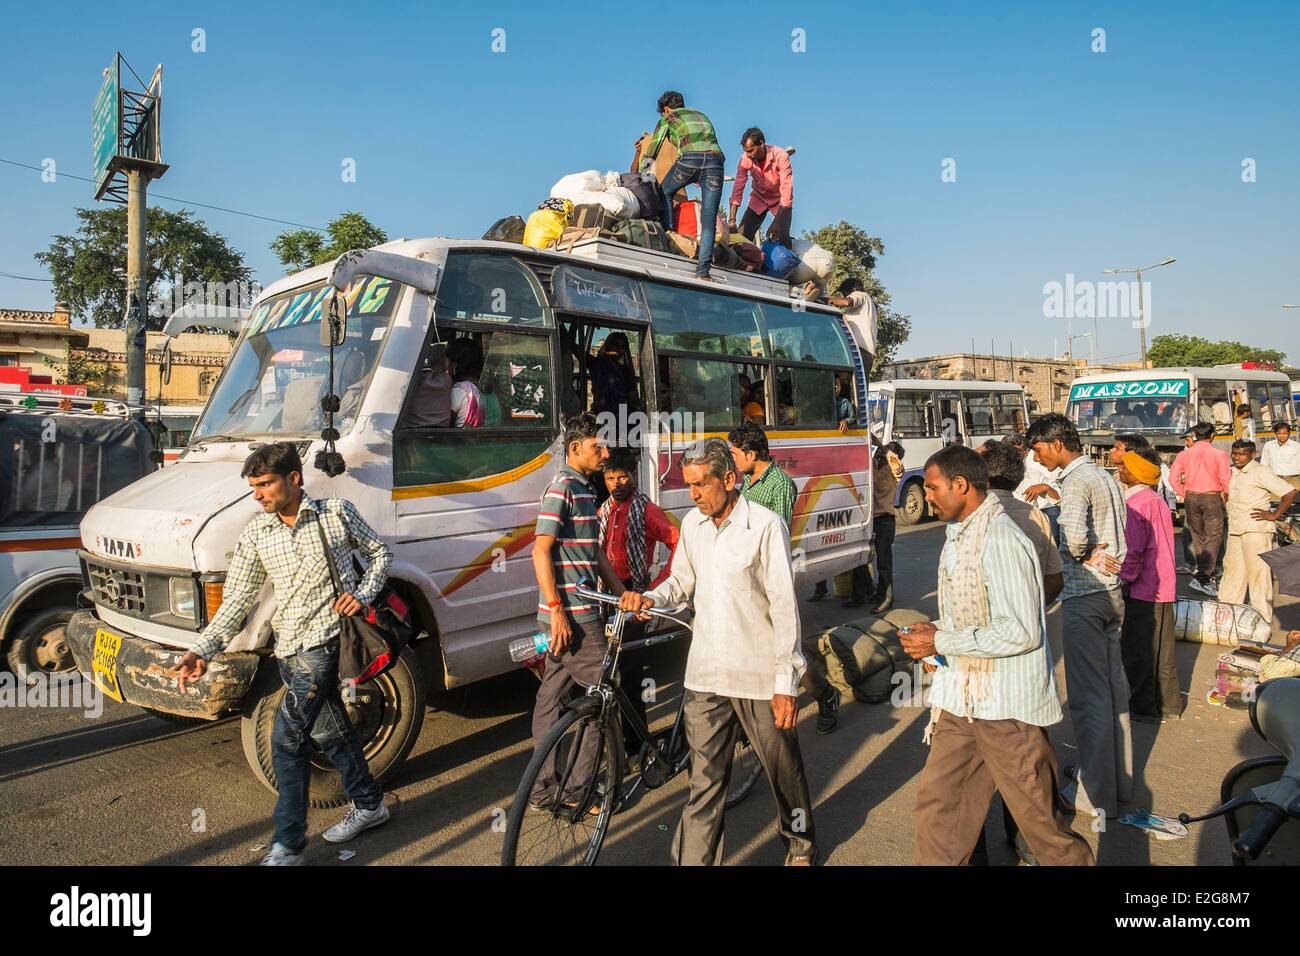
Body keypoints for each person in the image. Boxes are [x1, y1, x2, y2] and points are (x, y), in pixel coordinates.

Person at [170, 443, 393, 866]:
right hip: (287, 648)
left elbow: (381, 554)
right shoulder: (257, 532)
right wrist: (202, 649)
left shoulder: (335, 514)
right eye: (254, 486)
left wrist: (361, 595)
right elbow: (237, 601)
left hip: (325, 644)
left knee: (286, 739)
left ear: (294, 478)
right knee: (330, 731)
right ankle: (369, 804)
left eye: (265, 483)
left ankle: (287, 845)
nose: (258, 494)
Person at [618, 438, 814, 865]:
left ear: (729, 479)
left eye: (700, 485)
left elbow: (784, 607)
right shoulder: (692, 526)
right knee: (704, 784)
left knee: (784, 771)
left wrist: (787, 681)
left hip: (759, 676)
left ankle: (800, 844)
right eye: (688, 485)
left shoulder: (763, 526)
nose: (693, 494)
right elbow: (680, 583)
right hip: (706, 676)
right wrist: (650, 597)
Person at [899, 445, 1093, 866]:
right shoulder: (960, 534)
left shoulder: (1002, 537)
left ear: (961, 485)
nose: (926, 496)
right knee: (939, 812)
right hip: (961, 701)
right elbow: (976, 613)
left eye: (932, 488)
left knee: (1041, 825)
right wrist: (936, 636)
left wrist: (941, 641)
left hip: (1006, 709)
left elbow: (1020, 631)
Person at [1025, 413, 1131, 820]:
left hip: (1085, 596)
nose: (1038, 457)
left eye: (1038, 450)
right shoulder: (1103, 475)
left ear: (1056, 444)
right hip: (1110, 594)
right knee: (1112, 694)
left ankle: (1092, 793)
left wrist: (1078, 548)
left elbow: (1073, 539)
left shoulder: (1075, 482)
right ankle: (1115, 783)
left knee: (1088, 701)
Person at [528, 414, 627, 811]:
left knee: (551, 697)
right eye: (597, 447)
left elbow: (594, 553)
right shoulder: (563, 487)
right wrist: (557, 611)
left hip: (573, 613)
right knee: (605, 692)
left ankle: (540, 791)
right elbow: (540, 549)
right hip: (573, 615)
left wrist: (623, 594)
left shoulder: (587, 489)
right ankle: (577, 791)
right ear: (574, 449)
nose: (605, 453)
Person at [975, 439, 1067, 866]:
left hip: (983, 661)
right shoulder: (1035, 516)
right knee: (1026, 764)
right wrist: (1030, 609)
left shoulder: (976, 518)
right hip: (1029, 658)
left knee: (975, 769)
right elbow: (1054, 582)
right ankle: (1028, 845)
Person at [598, 447, 680, 761]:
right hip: (607, 596)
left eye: (622, 477)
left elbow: (677, 541)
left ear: (633, 476)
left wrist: (658, 587)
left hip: (634, 595)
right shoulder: (603, 511)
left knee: (630, 675)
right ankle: (616, 741)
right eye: (609, 478)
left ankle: (637, 747)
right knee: (609, 673)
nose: (616, 483)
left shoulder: (646, 509)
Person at [1101, 449, 1181, 723]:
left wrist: (1125, 580)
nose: (1120, 470)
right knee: (1164, 651)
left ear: (1134, 474)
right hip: (1163, 584)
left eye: (1124, 467)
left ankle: (1144, 707)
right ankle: (1169, 705)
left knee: (1139, 652)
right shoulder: (1155, 499)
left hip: (1144, 587)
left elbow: (1134, 550)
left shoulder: (1136, 505)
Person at [642, 91, 725, 281]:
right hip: (716, 162)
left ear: (666, 108)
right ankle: (703, 272)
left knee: (665, 191)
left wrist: (644, 177)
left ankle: (671, 240)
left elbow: (651, 151)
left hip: (691, 159)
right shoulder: (701, 115)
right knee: (709, 216)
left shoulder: (668, 117)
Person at [1221, 440, 1298, 621]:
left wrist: (1274, 514)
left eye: (1241, 454)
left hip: (1256, 530)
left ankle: (1262, 617)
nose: (1237, 457)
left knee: (1258, 573)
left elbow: (1290, 492)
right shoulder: (1232, 471)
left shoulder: (1260, 471)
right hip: (1235, 528)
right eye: (1234, 453)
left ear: (1252, 455)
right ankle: (1227, 613)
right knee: (1232, 571)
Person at [1169, 422, 1231, 597]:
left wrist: (1184, 492)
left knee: (1197, 536)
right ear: (1212, 436)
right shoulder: (1220, 454)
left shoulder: (1184, 455)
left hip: (1191, 497)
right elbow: (1226, 480)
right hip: (1212, 497)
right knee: (1214, 536)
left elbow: (1173, 478)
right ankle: (1203, 576)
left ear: (1195, 435)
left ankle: (1203, 573)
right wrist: (1227, 496)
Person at [727, 127, 794, 249]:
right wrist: (731, 220)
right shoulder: (745, 159)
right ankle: (746, 265)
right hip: (759, 198)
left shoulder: (781, 156)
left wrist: (777, 222)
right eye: (746, 151)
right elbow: (738, 188)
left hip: (780, 203)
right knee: (739, 239)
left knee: (783, 238)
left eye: (751, 150)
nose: (748, 154)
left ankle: (789, 264)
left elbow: (786, 192)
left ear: (762, 143)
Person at [728, 420, 797, 527]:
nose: (734, 459)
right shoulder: (748, 477)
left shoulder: (781, 484)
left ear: (751, 455)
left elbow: (780, 532)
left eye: (735, 455)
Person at [1015, 431, 1063, 543]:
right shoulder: (996, 476)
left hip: (1044, 510)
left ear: (1025, 453)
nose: (1037, 458)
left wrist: (1045, 487)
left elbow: (1059, 498)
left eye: (1017, 451)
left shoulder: (1034, 473)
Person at [589, 331, 640, 419]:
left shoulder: (625, 371)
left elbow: (632, 398)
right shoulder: (597, 364)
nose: (618, 350)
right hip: (608, 417)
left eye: (621, 347)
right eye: (616, 346)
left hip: (616, 418)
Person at [825, 277, 878, 358]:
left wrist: (826, 300)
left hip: (858, 350)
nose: (845, 296)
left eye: (846, 294)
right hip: (867, 353)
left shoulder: (860, 294)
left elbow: (846, 302)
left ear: (854, 289)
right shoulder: (869, 305)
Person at [405, 342, 452, 428]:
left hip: (412, 429)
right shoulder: (447, 380)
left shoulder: (414, 379)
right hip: (441, 430)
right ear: (447, 363)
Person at [447, 338, 485, 427]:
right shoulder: (478, 387)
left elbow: (444, 422)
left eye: (448, 361)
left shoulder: (459, 390)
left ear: (455, 364)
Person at [1261, 421, 1300, 491]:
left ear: (1289, 433)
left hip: (1293, 480)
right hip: (1274, 480)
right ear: (1275, 434)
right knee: (1275, 501)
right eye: (1279, 433)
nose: (1282, 436)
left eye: (1285, 433)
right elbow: (1264, 464)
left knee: (1294, 501)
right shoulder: (1268, 445)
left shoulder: (1296, 446)